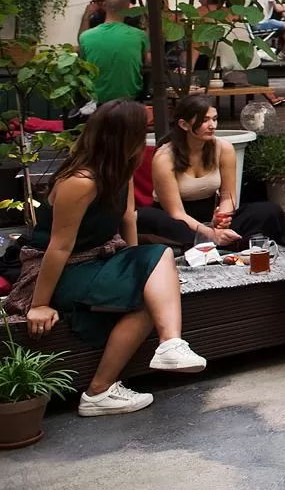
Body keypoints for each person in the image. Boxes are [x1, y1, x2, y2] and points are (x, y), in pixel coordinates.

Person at [12, 99, 207, 416]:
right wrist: (39, 304)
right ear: (125, 137)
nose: (146, 139)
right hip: (62, 270)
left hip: (97, 263)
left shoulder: (121, 169)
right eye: (141, 133)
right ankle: (162, 349)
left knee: (150, 288)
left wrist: (134, 269)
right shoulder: (80, 181)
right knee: (157, 260)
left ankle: (101, 390)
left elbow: (128, 217)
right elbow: (59, 247)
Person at [135, 95, 285, 250]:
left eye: (214, 119)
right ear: (184, 124)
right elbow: (176, 213)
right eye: (204, 120)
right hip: (179, 222)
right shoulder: (164, 157)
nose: (212, 125)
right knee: (146, 218)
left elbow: (228, 197)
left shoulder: (224, 148)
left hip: (211, 216)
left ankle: (215, 243)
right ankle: (219, 243)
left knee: (269, 211)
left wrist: (222, 221)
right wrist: (210, 233)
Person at [79, 0, 148, 103]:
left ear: (105, 6)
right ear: (128, 9)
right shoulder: (139, 36)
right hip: (130, 99)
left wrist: (86, 16)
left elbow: (82, 63)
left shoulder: (86, 36)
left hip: (96, 100)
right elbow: (147, 61)